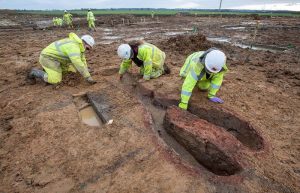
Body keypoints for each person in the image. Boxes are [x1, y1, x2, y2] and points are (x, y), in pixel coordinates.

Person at [28, 33, 96, 85]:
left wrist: (86, 69)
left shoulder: (79, 46)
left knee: (72, 71)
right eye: (87, 48)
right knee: (56, 80)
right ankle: (34, 72)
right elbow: (77, 62)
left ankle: (48, 70)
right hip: (48, 58)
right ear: (85, 43)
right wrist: (87, 77)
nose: (87, 50)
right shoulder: (74, 47)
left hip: (57, 59)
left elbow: (82, 60)